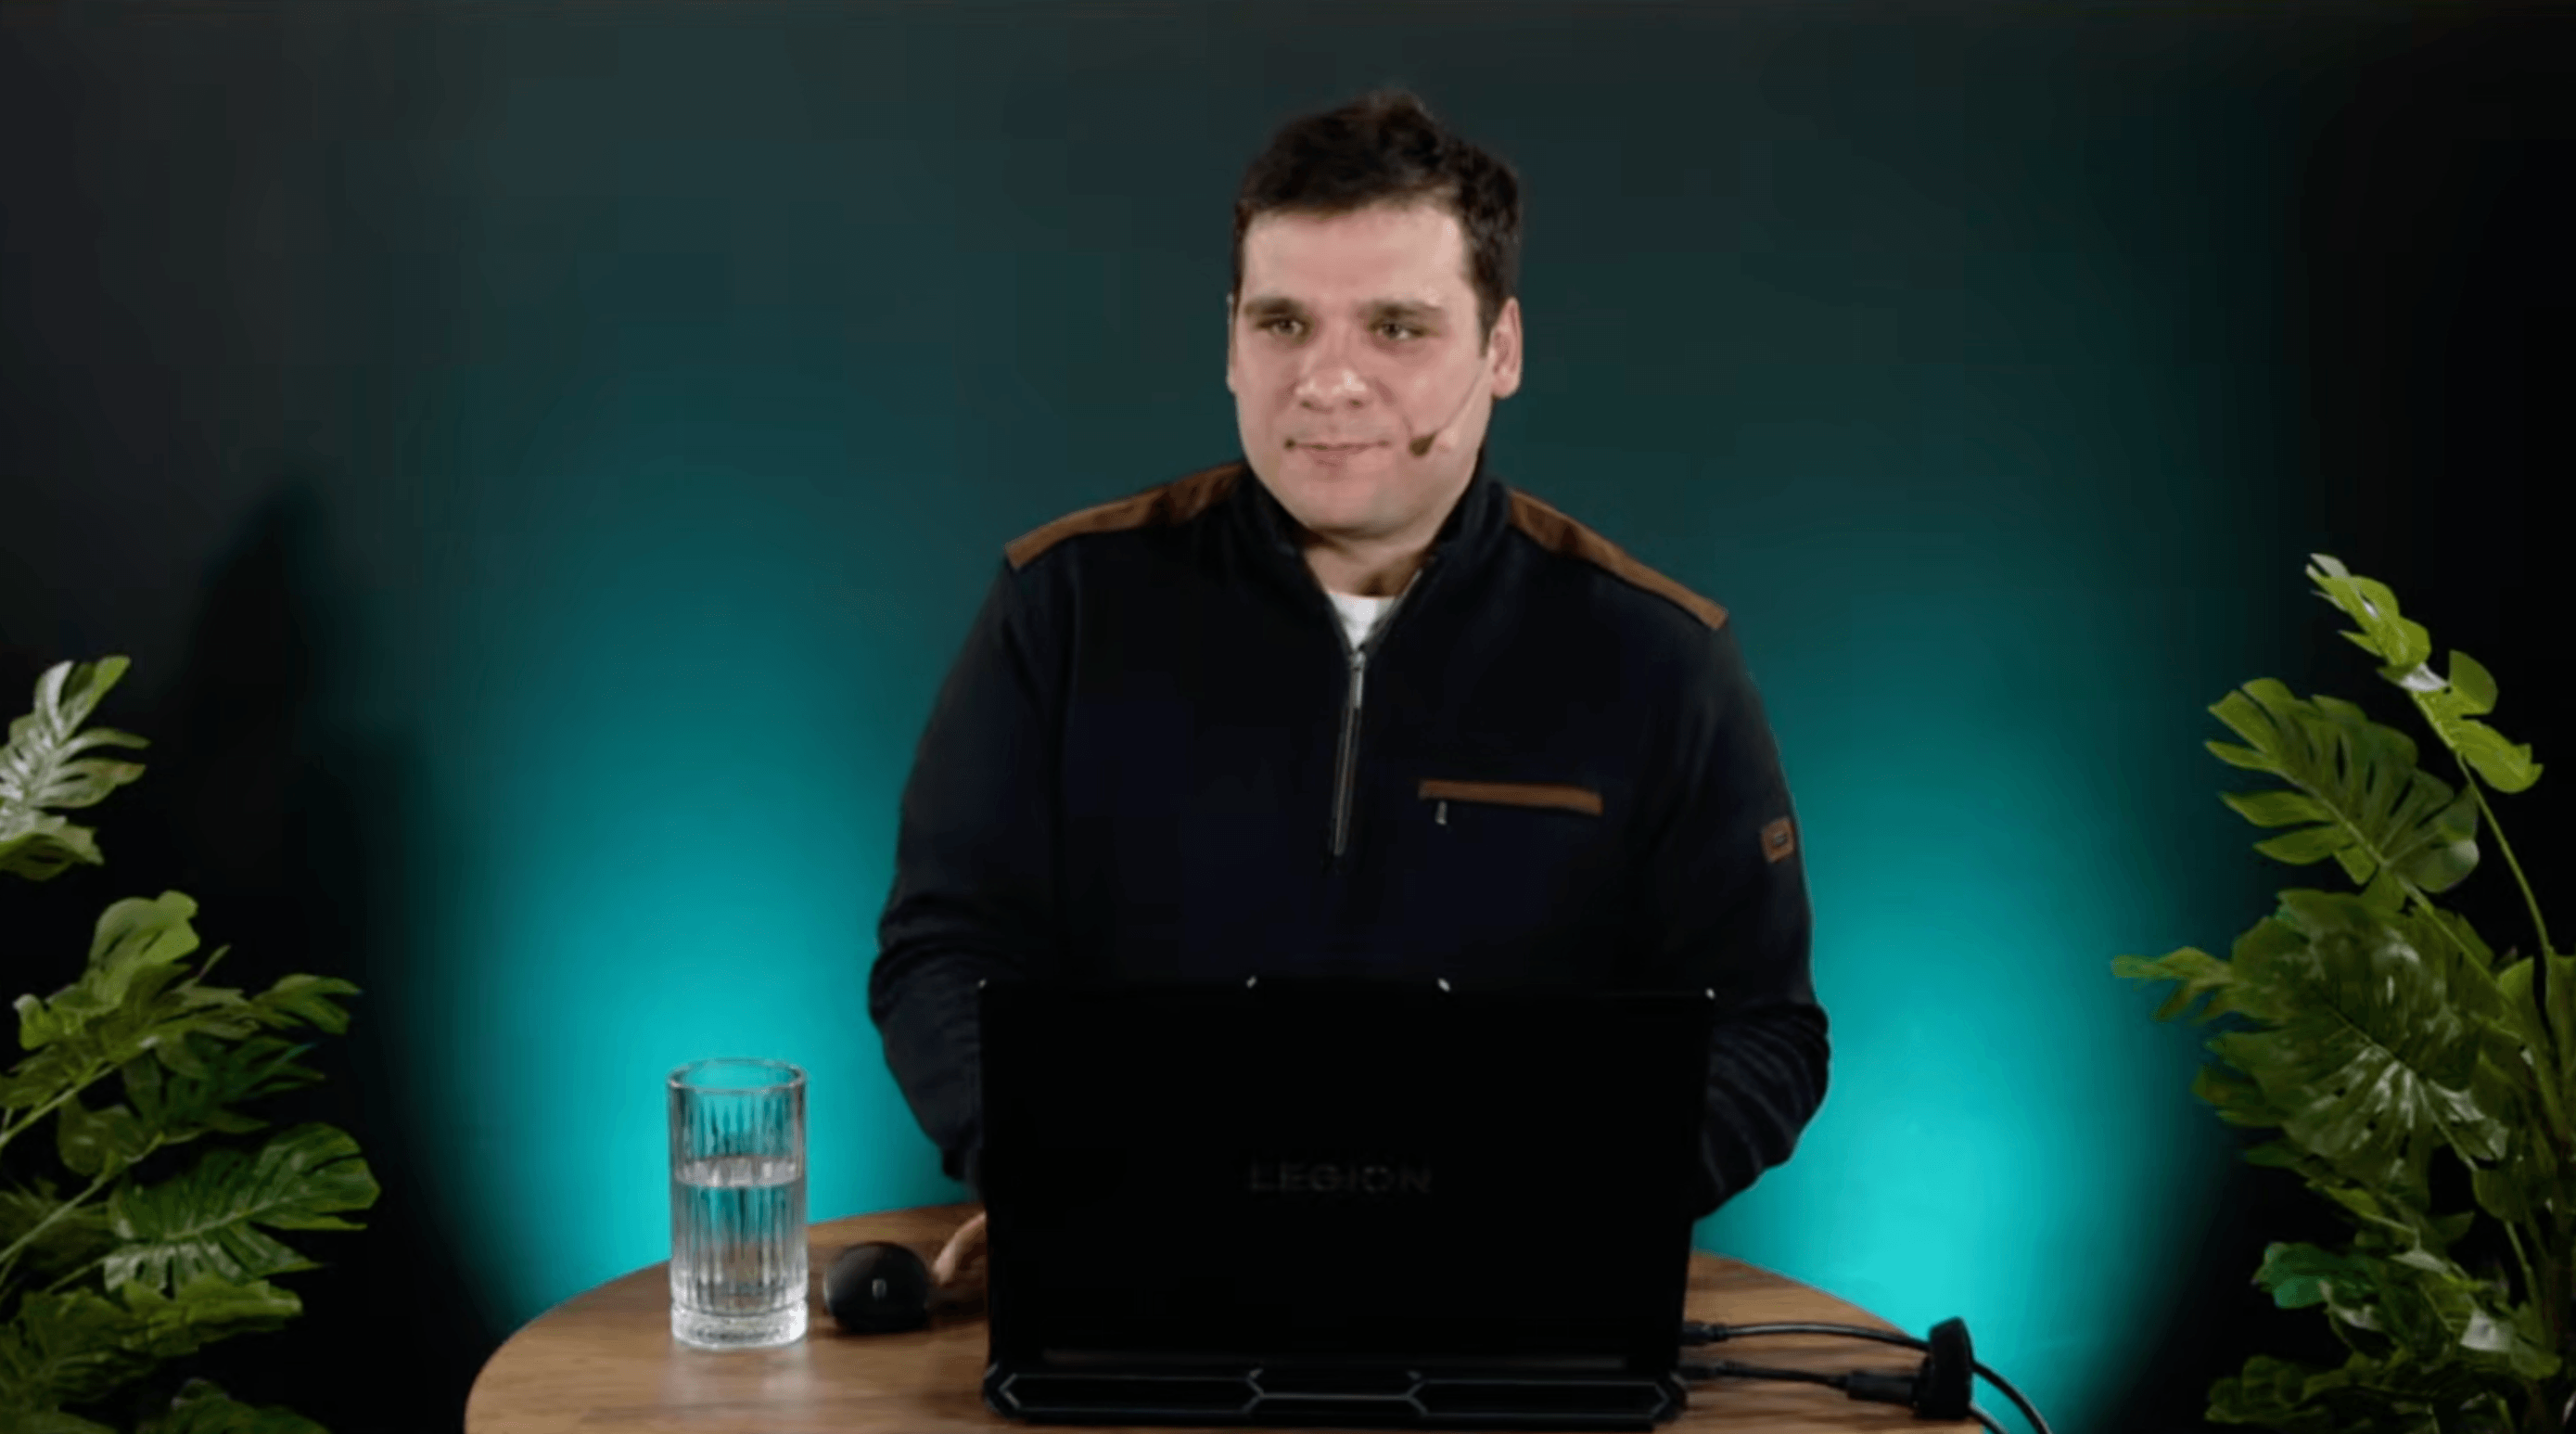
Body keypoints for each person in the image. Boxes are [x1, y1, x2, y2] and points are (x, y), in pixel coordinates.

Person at [871, 88, 1828, 1295]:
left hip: (1518, 1296)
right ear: (1230, 342)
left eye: (1396, 327)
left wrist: (1562, 1205)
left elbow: (1762, 1028)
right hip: (1134, 1278)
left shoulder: (1660, 658)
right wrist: (1053, 1175)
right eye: (1282, 323)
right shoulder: (1060, 608)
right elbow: (943, 952)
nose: (1327, 383)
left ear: (1502, 348)